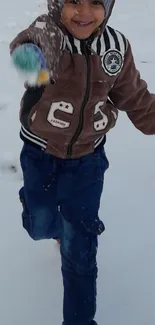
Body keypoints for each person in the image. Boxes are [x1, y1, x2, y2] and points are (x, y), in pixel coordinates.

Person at [9, 0, 155, 324]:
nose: (84, 13)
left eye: (95, 3)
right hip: (40, 153)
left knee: (80, 252)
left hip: (88, 160)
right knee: (40, 225)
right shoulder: (49, 32)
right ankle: (39, 213)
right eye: (73, 2)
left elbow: (135, 99)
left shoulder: (114, 49)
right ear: (56, 4)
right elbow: (30, 43)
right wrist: (34, 56)